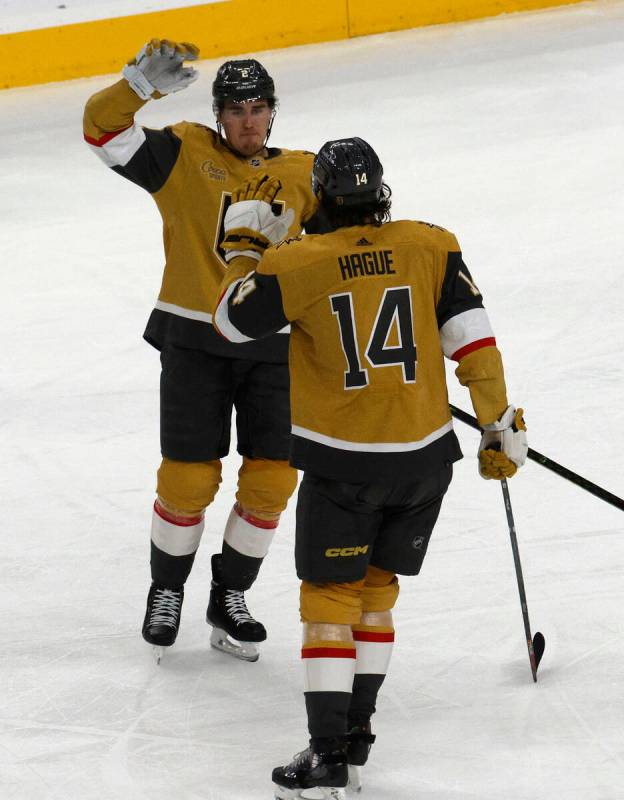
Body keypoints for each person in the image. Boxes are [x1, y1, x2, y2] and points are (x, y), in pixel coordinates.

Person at [212, 139, 528, 798]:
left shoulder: (296, 261)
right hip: (424, 461)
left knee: (331, 600)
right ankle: (356, 737)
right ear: (381, 192)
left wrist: (249, 252)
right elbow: (476, 345)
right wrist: (499, 426)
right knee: (377, 591)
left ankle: (329, 753)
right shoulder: (431, 245)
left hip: (345, 465)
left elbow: (231, 325)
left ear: (321, 197)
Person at [83, 39, 318, 661]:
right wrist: (136, 85)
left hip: (275, 348)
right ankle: (167, 590)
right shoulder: (182, 153)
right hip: (194, 340)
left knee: (272, 481)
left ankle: (230, 595)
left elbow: (343, 254)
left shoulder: (303, 173)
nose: (248, 120)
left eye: (258, 108)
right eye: (236, 109)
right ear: (219, 114)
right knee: (188, 479)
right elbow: (101, 130)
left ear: (273, 112)